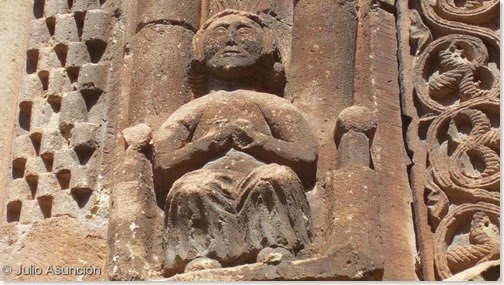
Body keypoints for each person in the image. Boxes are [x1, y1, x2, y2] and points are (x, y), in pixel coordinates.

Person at [152, 9, 318, 275]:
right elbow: (164, 161)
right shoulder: (196, 108)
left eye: (243, 32)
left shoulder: (272, 104)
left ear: (265, 48)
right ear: (200, 51)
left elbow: (306, 155)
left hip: (257, 175)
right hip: (208, 179)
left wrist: (258, 141)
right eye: (219, 32)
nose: (231, 40)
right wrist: (209, 143)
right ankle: (198, 253)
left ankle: (275, 244)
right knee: (190, 187)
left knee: (275, 177)